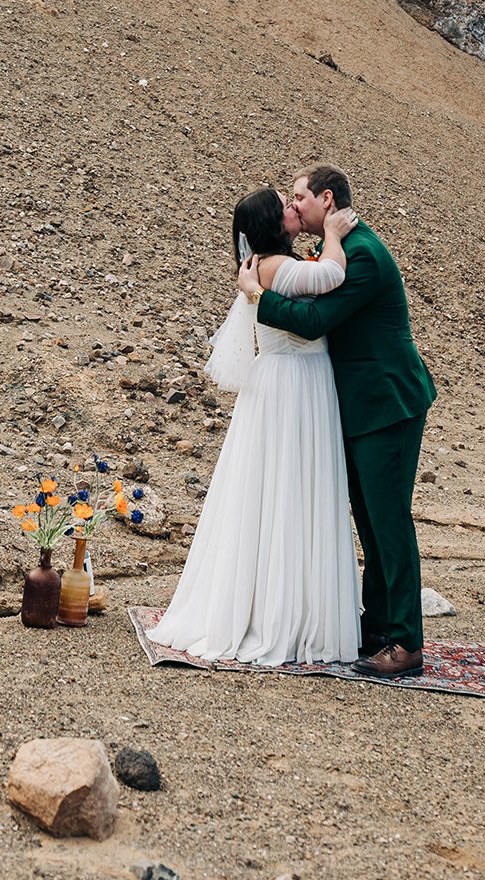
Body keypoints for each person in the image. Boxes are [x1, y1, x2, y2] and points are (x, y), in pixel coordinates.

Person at [152, 185, 361, 665]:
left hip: (283, 381)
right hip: (294, 383)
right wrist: (331, 232)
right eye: (284, 206)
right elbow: (330, 274)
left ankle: (270, 602)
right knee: (291, 487)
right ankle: (284, 615)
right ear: (271, 223)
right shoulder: (274, 267)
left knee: (274, 489)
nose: (292, 209)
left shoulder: (261, 268)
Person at [241, 164, 436, 678]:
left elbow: (314, 322)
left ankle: (407, 643)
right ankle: (376, 626)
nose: (292, 205)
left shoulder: (364, 257)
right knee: (369, 522)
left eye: (299, 197)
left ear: (326, 200)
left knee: (389, 522)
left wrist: (257, 295)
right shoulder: (337, 250)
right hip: (359, 407)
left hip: (386, 405)